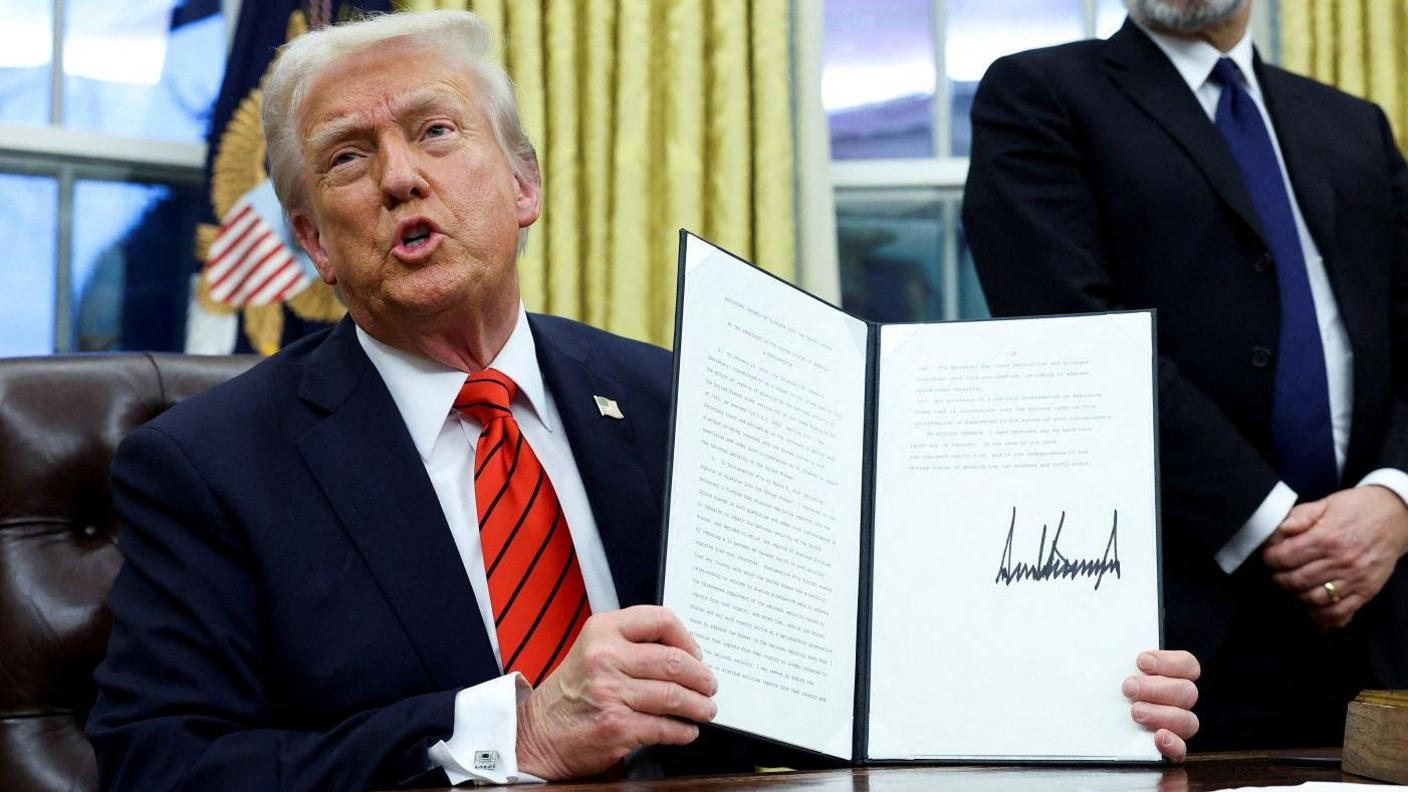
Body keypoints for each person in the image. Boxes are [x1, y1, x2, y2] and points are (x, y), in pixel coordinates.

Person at [88, 10, 1201, 790]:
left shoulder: (684, 398)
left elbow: (840, 683)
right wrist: (512, 732)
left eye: (434, 130)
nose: (398, 178)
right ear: (316, 248)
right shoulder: (209, 465)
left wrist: (1068, 698)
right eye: (345, 160)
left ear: (521, 185)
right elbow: (163, 765)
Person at [963, 0, 1408, 750]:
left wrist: (1394, 496)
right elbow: (1078, 341)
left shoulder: (1353, 123)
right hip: (1179, 643)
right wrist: (1275, 524)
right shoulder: (1037, 95)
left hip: (1381, 623)